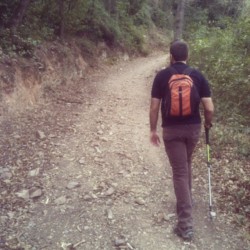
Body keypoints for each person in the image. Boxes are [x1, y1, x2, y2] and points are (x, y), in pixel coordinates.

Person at [149, 40, 214, 240]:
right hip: (193, 128)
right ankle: (188, 198)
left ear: (171, 56)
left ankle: (185, 224)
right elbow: (209, 108)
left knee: (179, 171)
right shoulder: (198, 76)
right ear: (188, 55)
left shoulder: (162, 76)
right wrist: (207, 124)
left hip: (171, 130)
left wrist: (153, 129)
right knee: (185, 163)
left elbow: (154, 107)